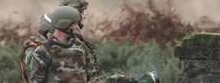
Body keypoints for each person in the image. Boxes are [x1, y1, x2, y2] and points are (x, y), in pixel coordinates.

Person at [23, 6, 160, 83]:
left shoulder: (81, 47)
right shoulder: (43, 51)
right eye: (75, 23)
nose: (78, 27)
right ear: (64, 24)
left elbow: (92, 79)